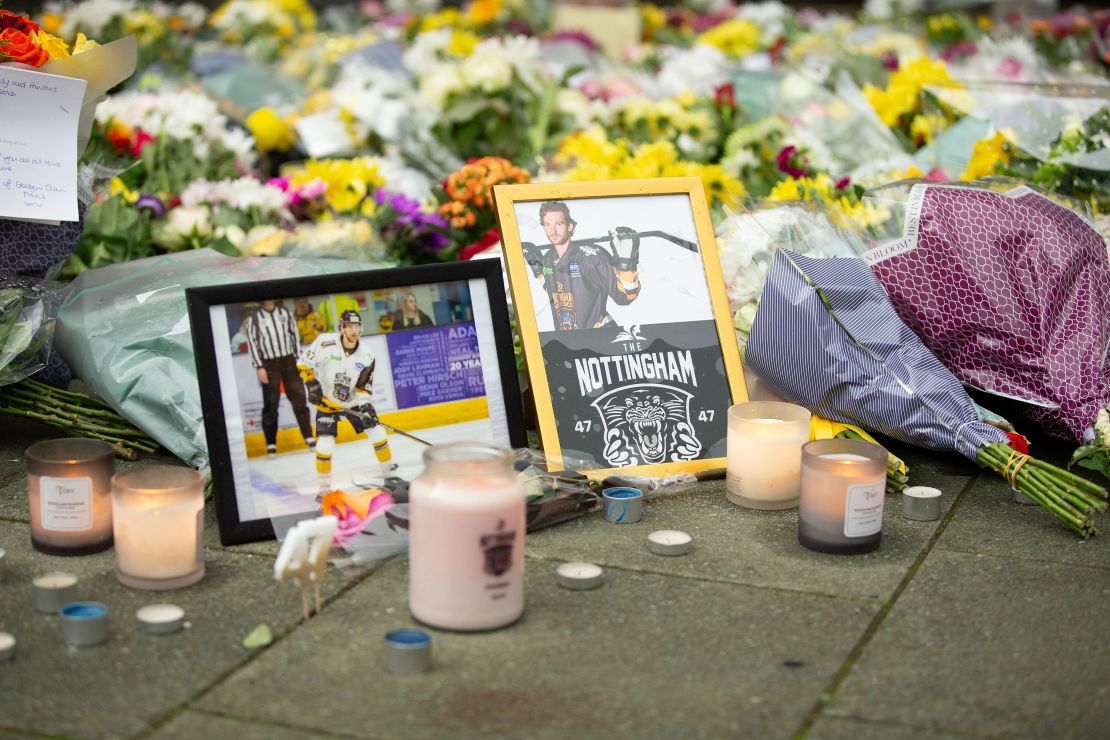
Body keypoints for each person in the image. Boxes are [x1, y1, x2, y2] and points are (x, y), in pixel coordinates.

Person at [297, 309, 396, 479]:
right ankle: (324, 486)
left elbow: (364, 386)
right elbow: (303, 363)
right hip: (327, 402)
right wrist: (311, 384)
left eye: (356, 326)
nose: (353, 330)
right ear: (341, 328)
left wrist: (365, 405)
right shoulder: (324, 342)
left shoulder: (367, 355)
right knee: (324, 445)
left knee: (377, 431)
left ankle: (387, 468)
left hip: (353, 402)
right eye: (349, 326)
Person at [535, 200, 641, 331]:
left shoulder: (591, 257)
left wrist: (626, 263)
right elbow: (554, 291)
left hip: (601, 339)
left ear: (570, 226)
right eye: (547, 224)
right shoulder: (548, 258)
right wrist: (537, 268)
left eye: (558, 224)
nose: (553, 230)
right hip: (568, 342)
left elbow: (625, 297)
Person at [245, 300, 316, 457]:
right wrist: (259, 366)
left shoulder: (285, 313)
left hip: (289, 361)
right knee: (271, 404)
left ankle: (309, 436)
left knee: (299, 399)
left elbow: (294, 336)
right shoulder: (254, 318)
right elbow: (252, 342)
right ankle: (271, 444)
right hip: (269, 364)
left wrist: (299, 359)